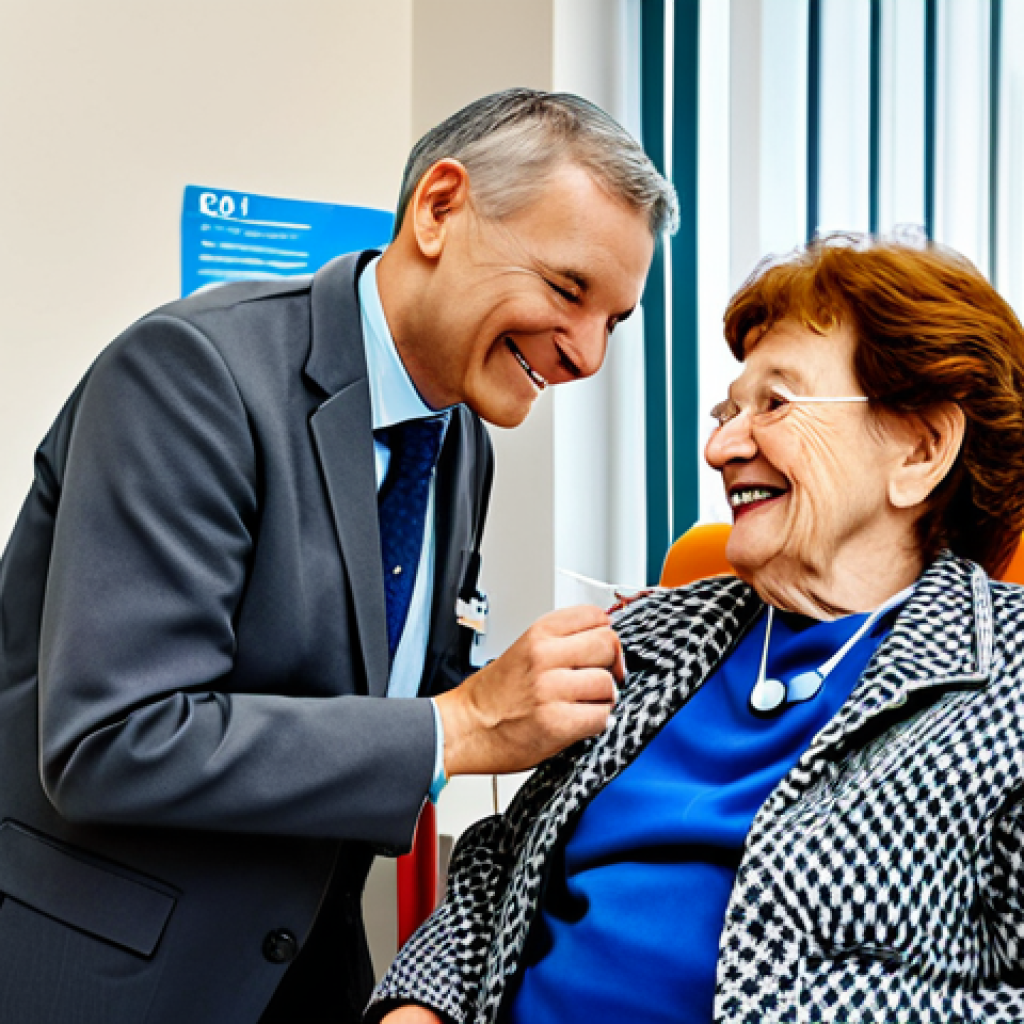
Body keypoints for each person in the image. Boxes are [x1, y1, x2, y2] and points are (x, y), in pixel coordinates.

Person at [0, 89, 678, 1024]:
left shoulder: (459, 437)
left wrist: (553, 686)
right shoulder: (192, 374)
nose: (588, 356)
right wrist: (461, 724)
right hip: (110, 979)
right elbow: (112, 742)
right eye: (569, 292)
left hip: (302, 969)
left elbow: (386, 682)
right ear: (440, 209)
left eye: (616, 321)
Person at [368, 234, 1024, 1024]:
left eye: (776, 404)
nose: (721, 447)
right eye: (727, 411)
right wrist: (416, 1010)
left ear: (921, 449)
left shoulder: (1007, 681)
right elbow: (497, 869)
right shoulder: (648, 635)